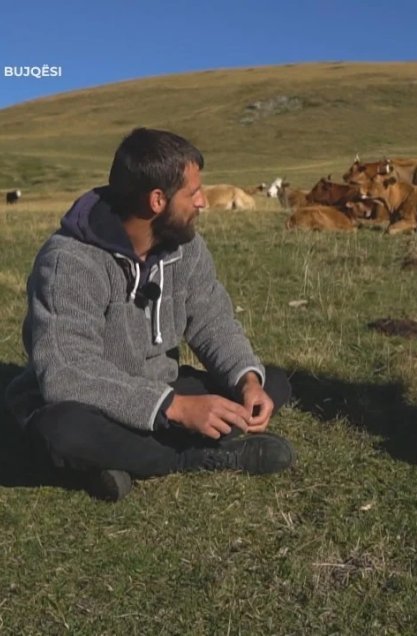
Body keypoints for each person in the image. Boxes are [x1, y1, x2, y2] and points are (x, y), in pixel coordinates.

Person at [4, 127, 295, 501]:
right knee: (62, 431)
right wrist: (174, 408)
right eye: (193, 194)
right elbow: (67, 371)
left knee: (272, 382)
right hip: (88, 401)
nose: (204, 202)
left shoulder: (185, 247)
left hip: (159, 387)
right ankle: (194, 456)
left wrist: (247, 382)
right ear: (157, 200)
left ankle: (118, 461)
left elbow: (212, 320)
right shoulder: (69, 262)